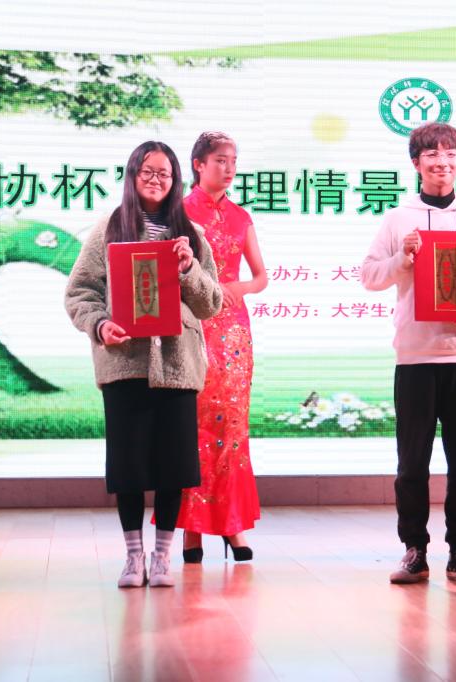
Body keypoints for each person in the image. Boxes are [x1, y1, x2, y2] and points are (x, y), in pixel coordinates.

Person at [65, 140, 223, 588]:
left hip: (178, 365)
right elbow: (80, 292)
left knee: (174, 467)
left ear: (176, 181)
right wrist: (100, 326)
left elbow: (211, 303)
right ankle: (133, 557)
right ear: (133, 175)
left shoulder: (191, 234)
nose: (156, 180)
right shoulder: (108, 229)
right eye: (147, 172)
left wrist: (189, 268)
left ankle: (162, 557)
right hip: (124, 363)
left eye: (164, 174)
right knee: (129, 466)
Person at [362, 122, 456, 585]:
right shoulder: (398, 217)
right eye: (432, 155)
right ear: (416, 163)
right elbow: (370, 275)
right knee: (412, 463)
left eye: (450, 155)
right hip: (415, 356)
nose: (442, 162)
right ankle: (414, 550)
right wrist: (402, 259)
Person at [176, 132, 268, 562]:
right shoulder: (178, 212)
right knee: (192, 426)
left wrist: (238, 287)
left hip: (233, 332)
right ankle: (191, 530)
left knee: (232, 428)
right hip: (192, 327)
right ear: (198, 164)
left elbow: (261, 277)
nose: (228, 168)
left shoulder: (240, 216)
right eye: (219, 160)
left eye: (233, 160)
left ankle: (233, 526)